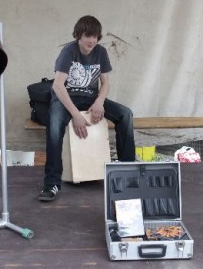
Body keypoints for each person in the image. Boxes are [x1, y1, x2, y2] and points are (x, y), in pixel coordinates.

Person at [39, 16, 136, 202]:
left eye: (95, 36)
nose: (92, 40)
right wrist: (75, 115)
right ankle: (51, 184)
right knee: (54, 124)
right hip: (66, 98)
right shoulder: (69, 51)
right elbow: (58, 86)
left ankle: (126, 175)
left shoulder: (101, 52)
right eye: (88, 36)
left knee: (126, 114)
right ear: (79, 35)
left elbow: (105, 83)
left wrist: (99, 101)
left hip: (91, 98)